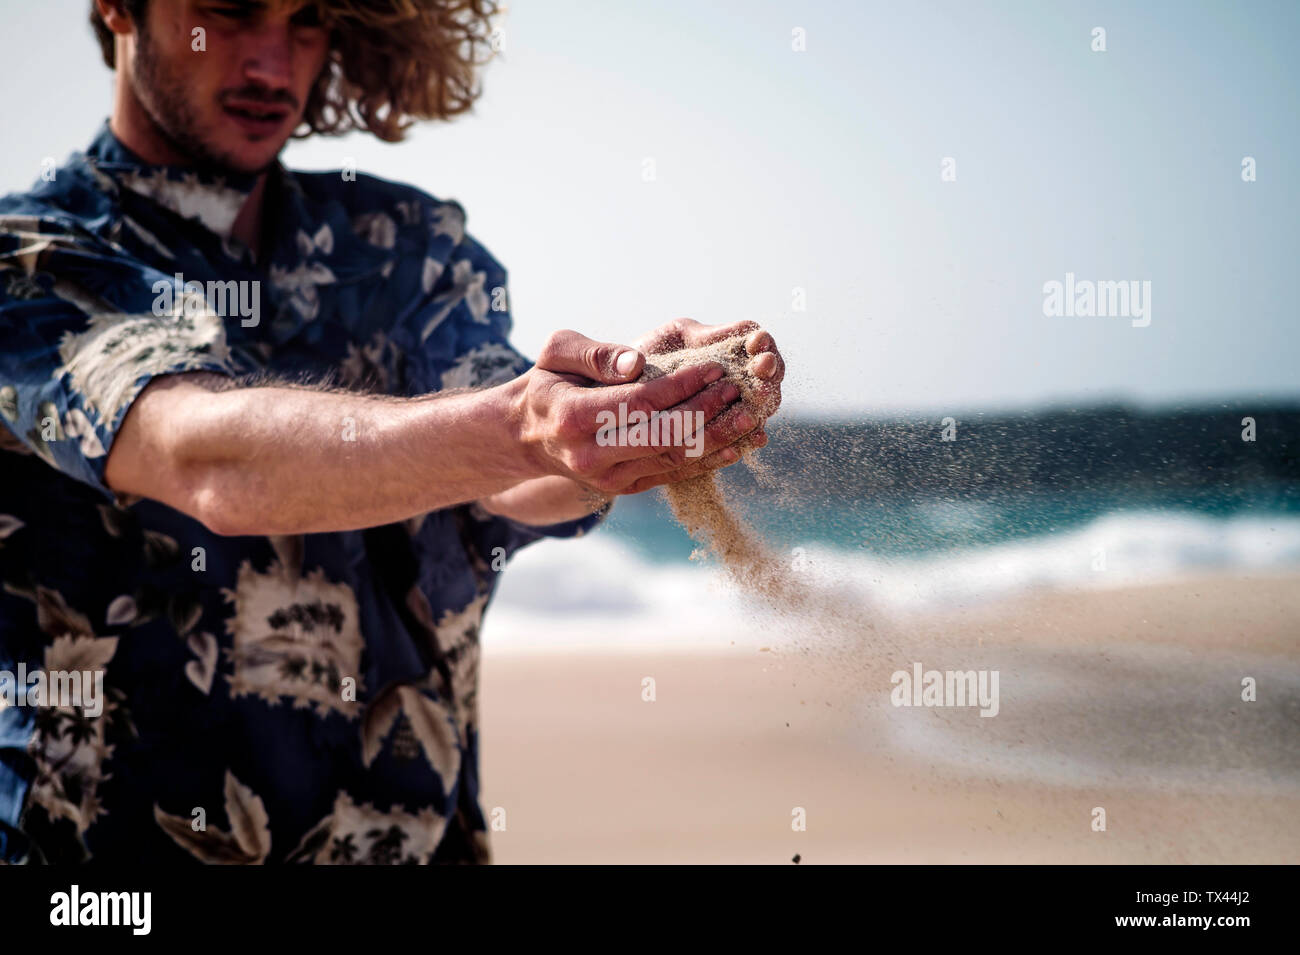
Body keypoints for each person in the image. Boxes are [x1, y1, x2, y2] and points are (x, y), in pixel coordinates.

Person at [0, 0, 783, 864]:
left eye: (304, 19)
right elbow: (201, 458)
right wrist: (526, 425)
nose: (271, 63)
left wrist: (615, 419)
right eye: (226, 11)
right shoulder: (29, 257)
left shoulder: (403, 249)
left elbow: (510, 475)